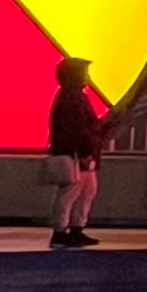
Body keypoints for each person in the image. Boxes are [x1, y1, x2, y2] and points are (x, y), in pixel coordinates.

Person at [45, 58, 108, 250]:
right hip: (76, 154)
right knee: (71, 193)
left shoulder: (70, 96)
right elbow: (77, 129)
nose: (87, 76)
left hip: (79, 153)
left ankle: (74, 229)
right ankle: (61, 231)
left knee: (86, 190)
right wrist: (85, 152)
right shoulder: (72, 99)